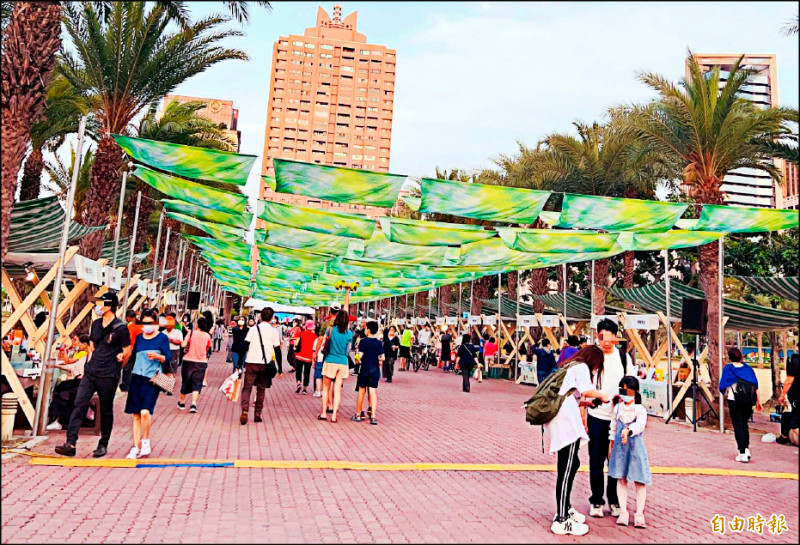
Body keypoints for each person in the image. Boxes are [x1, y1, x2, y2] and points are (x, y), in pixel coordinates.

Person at [55, 292, 131, 458]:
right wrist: (91, 363)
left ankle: (103, 444)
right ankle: (70, 443)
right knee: (79, 403)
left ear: (109, 306)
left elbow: (127, 351)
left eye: (101, 303)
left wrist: (117, 365)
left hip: (109, 375)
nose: (98, 306)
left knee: (105, 409)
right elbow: (92, 346)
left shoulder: (121, 328)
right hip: (91, 372)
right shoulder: (95, 324)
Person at [545, 346, 609, 536]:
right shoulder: (581, 367)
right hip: (567, 423)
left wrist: (585, 403)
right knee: (566, 468)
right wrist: (601, 394)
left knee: (572, 464)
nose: (597, 369)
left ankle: (565, 508)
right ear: (594, 360)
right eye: (598, 366)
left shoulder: (570, 365)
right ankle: (562, 519)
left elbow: (569, 395)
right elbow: (587, 390)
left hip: (561, 419)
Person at [585, 319, 633, 519]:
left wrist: (624, 403)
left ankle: (614, 500)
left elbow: (631, 384)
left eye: (610, 337)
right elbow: (583, 384)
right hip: (596, 416)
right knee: (596, 459)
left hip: (618, 418)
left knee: (615, 460)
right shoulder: (591, 356)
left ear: (615, 337)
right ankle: (596, 500)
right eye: (602, 336)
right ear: (597, 336)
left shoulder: (623, 358)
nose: (606, 341)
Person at [124, 309, 173, 459]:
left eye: (150, 323)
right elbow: (132, 356)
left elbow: (168, 358)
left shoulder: (162, 338)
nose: (147, 326)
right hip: (136, 377)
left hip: (152, 379)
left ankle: (145, 440)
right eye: (144, 323)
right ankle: (135, 446)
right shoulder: (139, 338)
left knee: (145, 411)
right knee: (136, 414)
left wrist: (158, 356)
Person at [608, 376, 651, 528]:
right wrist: (611, 446)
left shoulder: (640, 409)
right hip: (620, 449)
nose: (625, 393)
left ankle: (639, 514)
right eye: (623, 389)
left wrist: (628, 430)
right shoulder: (618, 408)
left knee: (639, 480)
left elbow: (640, 426)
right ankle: (623, 512)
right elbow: (613, 427)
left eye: (629, 390)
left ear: (635, 391)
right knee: (621, 478)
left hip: (636, 449)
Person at [240, 307, 281, 425]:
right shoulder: (274, 331)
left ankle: (245, 410)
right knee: (261, 389)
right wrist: (280, 368)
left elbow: (245, 346)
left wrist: (239, 364)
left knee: (247, 387)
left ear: (260, 316)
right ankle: (257, 414)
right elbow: (277, 350)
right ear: (272, 318)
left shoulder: (253, 329)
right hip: (265, 363)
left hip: (251, 361)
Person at [720, 347, 762, 462]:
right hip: (748, 401)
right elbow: (756, 386)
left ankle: (742, 452)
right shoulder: (748, 369)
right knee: (744, 425)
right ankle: (746, 449)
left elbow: (723, 385)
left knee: (738, 426)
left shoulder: (729, 368)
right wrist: (758, 401)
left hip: (735, 400)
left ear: (729, 357)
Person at [45, 334, 90, 431]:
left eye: (76, 341)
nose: (74, 343)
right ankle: (55, 418)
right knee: (60, 387)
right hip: (79, 380)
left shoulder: (85, 354)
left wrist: (58, 366)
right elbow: (71, 364)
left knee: (63, 392)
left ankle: (56, 419)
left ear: (85, 344)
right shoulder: (82, 353)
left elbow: (71, 364)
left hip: (82, 382)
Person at [318, 310, 353, 423]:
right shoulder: (349, 334)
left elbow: (324, 343)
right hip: (342, 362)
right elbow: (348, 351)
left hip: (330, 360)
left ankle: (323, 413)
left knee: (326, 388)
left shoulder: (330, 330)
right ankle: (334, 416)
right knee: (337, 390)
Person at [177, 316, 211, 414]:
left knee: (185, 381)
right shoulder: (207, 336)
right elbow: (208, 348)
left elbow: (183, 345)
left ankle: (182, 402)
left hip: (188, 360)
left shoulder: (191, 333)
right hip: (201, 362)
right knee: (197, 383)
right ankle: (193, 404)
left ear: (197, 324)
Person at [351, 320, 383, 425]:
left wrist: (357, 359)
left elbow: (359, 355)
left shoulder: (363, 341)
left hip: (364, 369)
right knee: (373, 392)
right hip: (375, 370)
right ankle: (373, 416)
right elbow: (382, 357)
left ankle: (358, 414)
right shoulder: (379, 343)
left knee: (361, 391)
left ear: (368, 330)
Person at [777, 353, 799, 446]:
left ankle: (785, 437)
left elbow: (789, 380)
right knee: (787, 416)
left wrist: (782, 395)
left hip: (797, 397)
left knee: (795, 421)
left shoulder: (796, 361)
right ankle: (784, 437)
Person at [120, 310, 143, 392]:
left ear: (128, 317)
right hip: (140, 349)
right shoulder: (140, 325)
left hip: (133, 349)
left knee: (127, 368)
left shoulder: (131, 326)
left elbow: (130, 339)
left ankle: (126, 385)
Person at [294, 320, 317, 395]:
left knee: (298, 370)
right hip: (309, 357)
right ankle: (304, 388)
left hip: (299, 355)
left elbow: (296, 343)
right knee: (307, 372)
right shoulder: (315, 336)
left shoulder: (301, 333)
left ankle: (298, 383)